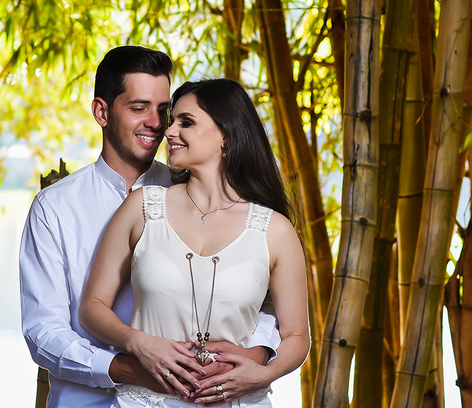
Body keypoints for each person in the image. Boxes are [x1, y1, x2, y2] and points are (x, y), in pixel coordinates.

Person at [20, 48, 279, 408]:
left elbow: (259, 289)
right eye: (138, 108)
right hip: (86, 401)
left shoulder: (199, 190)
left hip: (196, 397)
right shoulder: (55, 208)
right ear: (102, 112)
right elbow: (43, 332)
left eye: (164, 110)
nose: (156, 123)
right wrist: (130, 367)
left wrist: (257, 352)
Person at [79, 78, 309, 407]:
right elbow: (92, 308)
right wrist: (139, 342)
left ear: (226, 136)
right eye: (172, 121)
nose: (168, 131)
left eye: (185, 122)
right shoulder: (141, 207)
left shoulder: (275, 230)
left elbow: (297, 336)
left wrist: (265, 373)